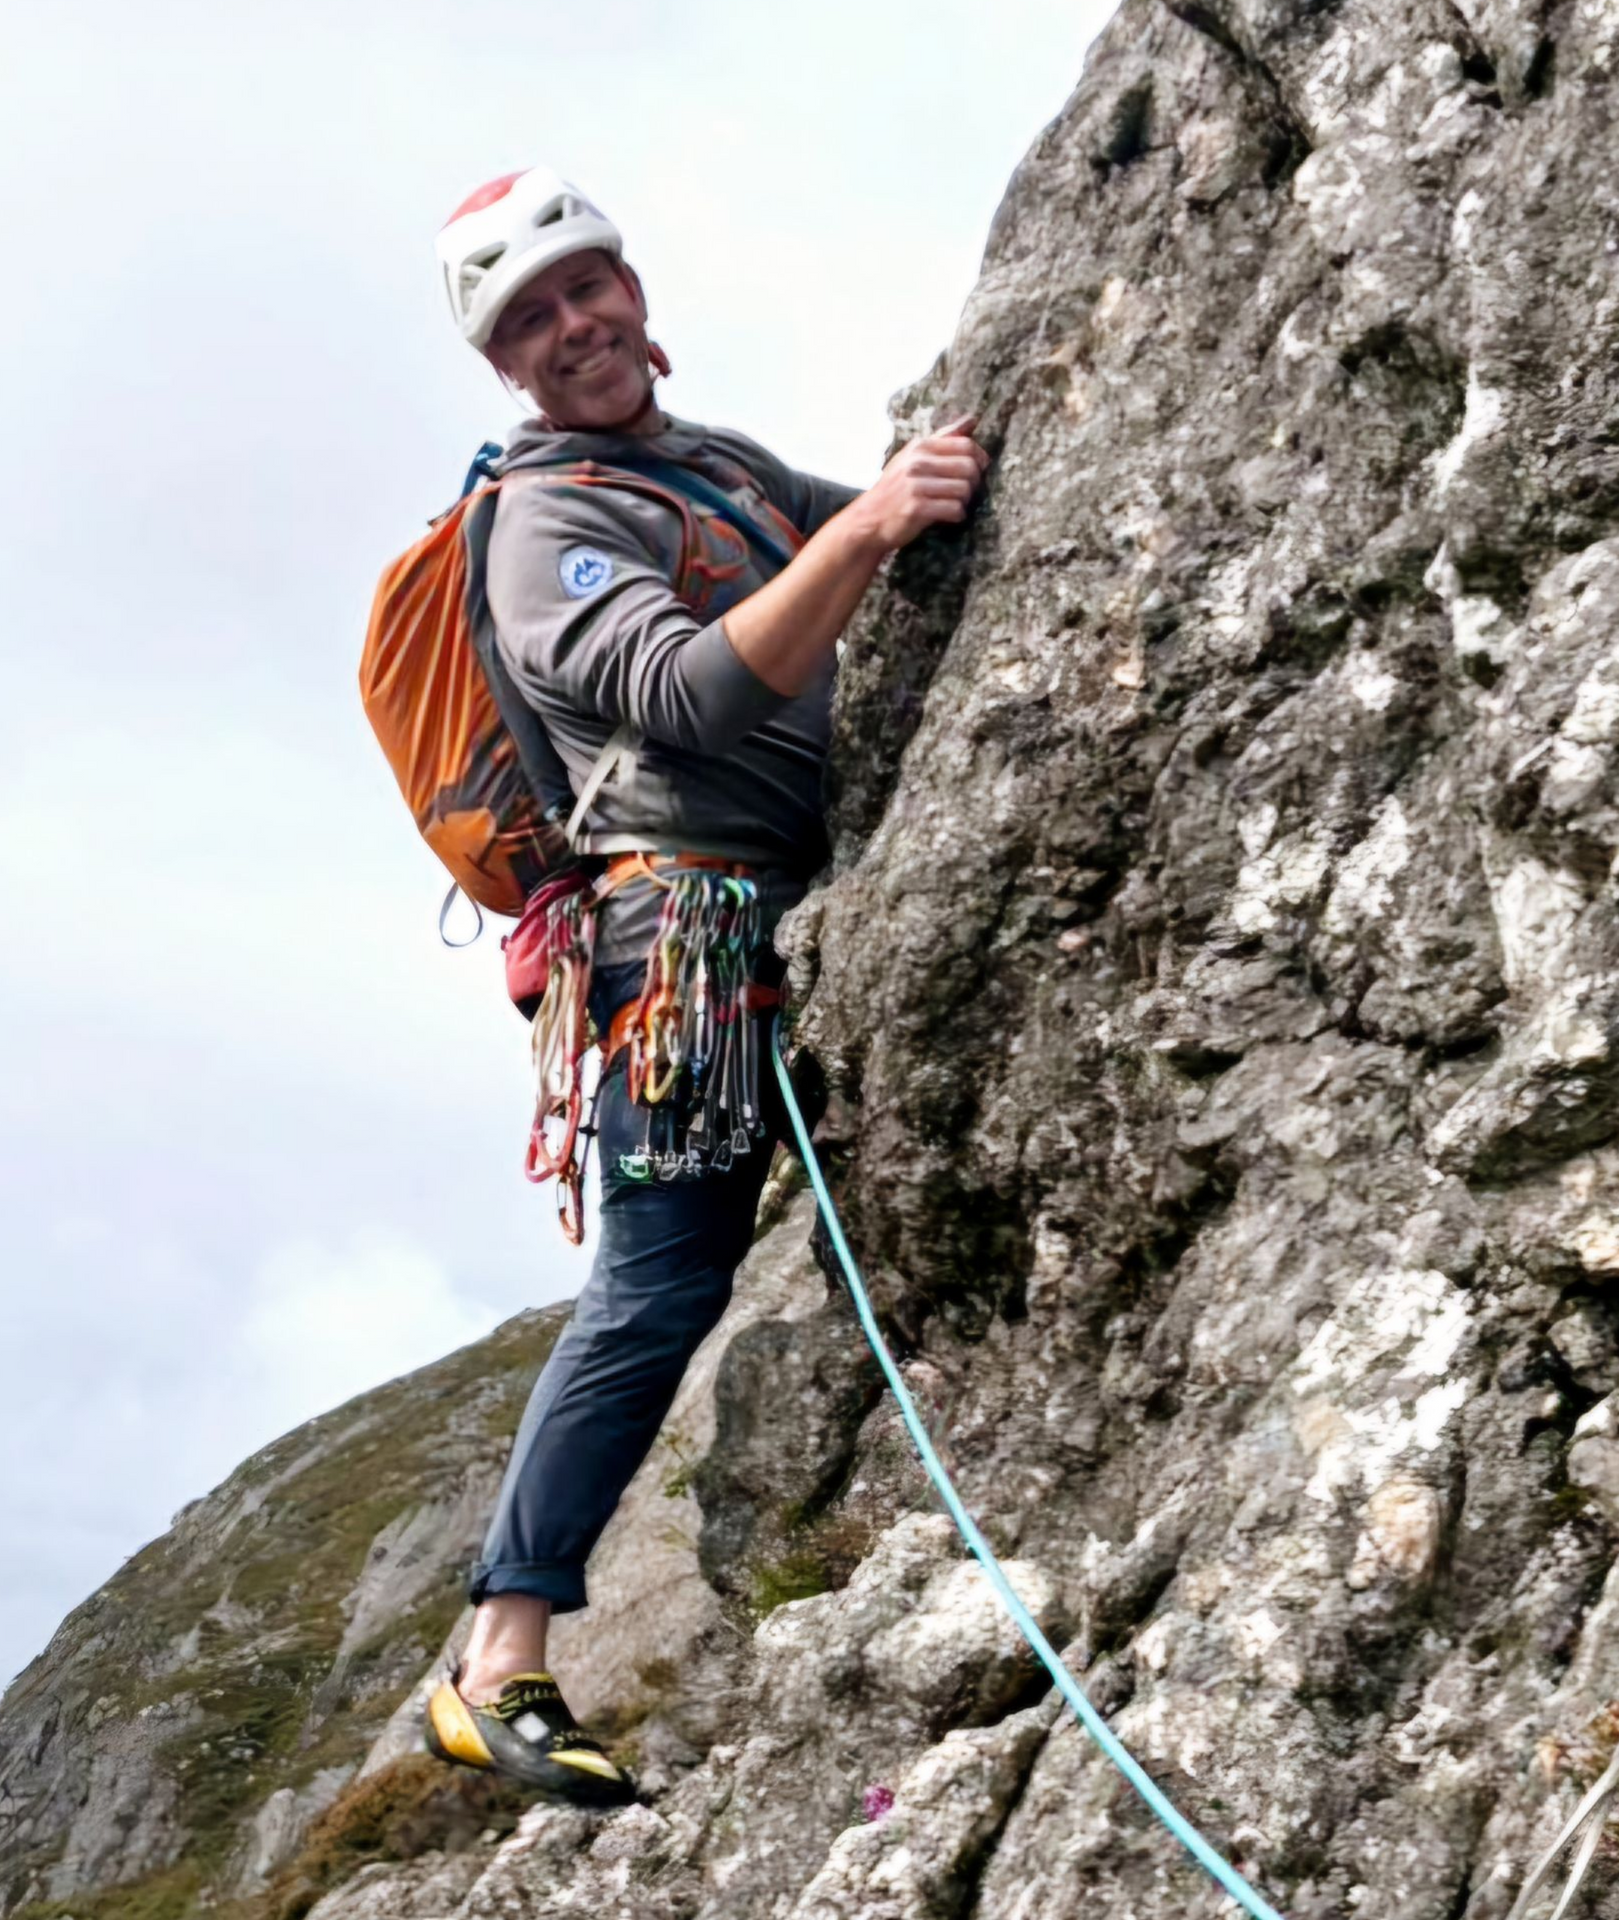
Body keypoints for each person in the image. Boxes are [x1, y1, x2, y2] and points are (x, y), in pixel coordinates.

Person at [419, 167, 987, 1804]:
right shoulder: (546, 526)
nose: (575, 326)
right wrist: (873, 519)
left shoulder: (713, 470)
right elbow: (684, 698)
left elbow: (865, 525)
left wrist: (906, 486)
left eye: (584, 288)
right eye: (532, 319)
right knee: (661, 1284)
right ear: (504, 368)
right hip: (684, 942)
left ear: (631, 286)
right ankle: (502, 1657)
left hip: (772, 913)